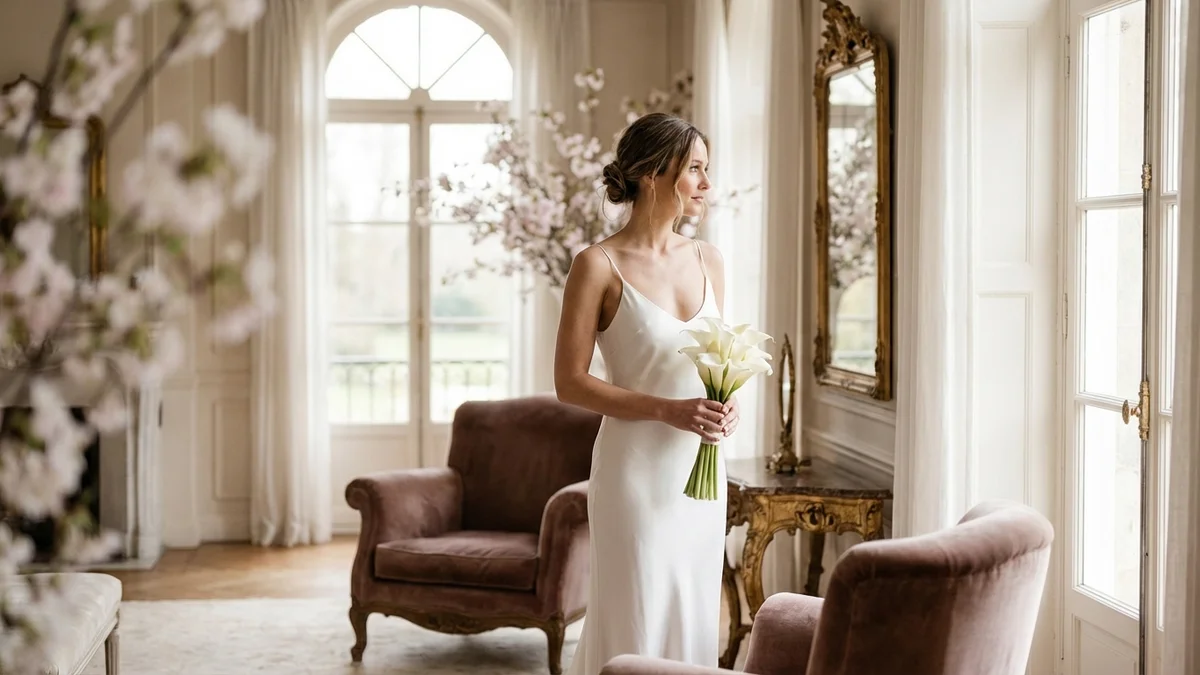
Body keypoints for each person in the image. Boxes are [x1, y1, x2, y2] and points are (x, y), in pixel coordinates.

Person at [554, 112, 739, 675]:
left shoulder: (709, 259)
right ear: (653, 173)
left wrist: (726, 403)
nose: (706, 183)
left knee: (692, 610)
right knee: (636, 613)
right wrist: (668, 410)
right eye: (695, 169)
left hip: (701, 473)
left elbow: (716, 358)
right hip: (633, 475)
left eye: (707, 169)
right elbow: (569, 382)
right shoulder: (596, 265)